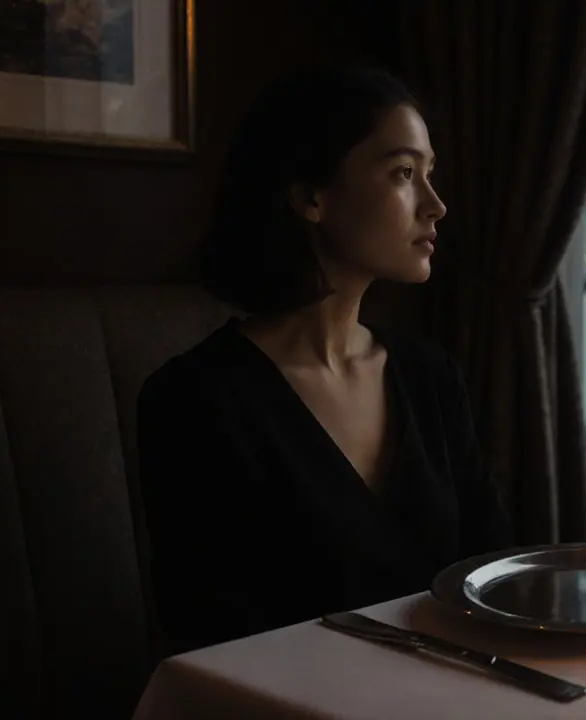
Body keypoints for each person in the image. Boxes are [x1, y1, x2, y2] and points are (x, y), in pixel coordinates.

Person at [137, 65, 511, 655]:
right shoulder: (194, 400)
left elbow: (493, 573)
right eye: (404, 174)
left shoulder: (429, 376)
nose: (436, 206)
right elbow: (214, 635)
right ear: (311, 195)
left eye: (429, 175)